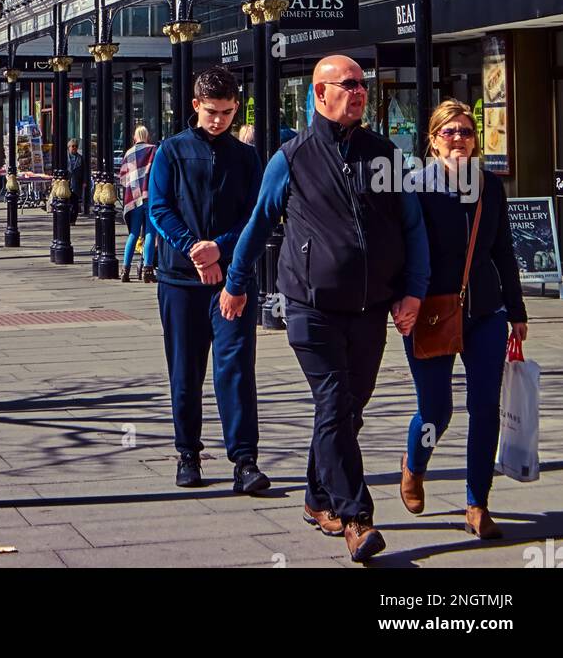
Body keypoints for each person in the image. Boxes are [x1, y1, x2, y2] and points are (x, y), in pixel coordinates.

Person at [221, 54, 430, 563]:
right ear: (320, 93)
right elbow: (257, 224)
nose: (360, 91)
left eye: (363, 84)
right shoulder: (291, 157)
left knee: (348, 410)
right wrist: (236, 283)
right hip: (310, 306)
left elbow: (412, 227)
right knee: (335, 402)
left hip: (371, 307)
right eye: (349, 84)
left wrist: (414, 290)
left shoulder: (384, 154)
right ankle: (357, 517)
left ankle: (317, 496)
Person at [399, 99, 528, 541]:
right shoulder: (414, 186)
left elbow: (504, 252)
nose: (459, 139)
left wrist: (517, 311)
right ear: (433, 140)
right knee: (437, 410)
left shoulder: (490, 187)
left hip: (485, 313)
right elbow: (401, 254)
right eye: (449, 132)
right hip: (431, 311)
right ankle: (415, 463)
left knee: (485, 407)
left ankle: (477, 502)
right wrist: (401, 301)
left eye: (467, 132)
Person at [148, 66, 269, 496]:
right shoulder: (171, 151)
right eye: (212, 112)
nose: (219, 120)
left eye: (227, 112)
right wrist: (195, 249)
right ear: (196, 106)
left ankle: (244, 460)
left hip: (232, 280)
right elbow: (159, 208)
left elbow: (257, 216)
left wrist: (219, 248)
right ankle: (188, 453)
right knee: (185, 370)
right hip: (180, 279)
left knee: (235, 369)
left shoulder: (246, 156)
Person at [118, 125, 157, 283]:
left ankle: (125, 270)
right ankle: (148, 270)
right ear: (147, 136)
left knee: (133, 234)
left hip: (134, 198)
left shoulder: (129, 153)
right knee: (149, 233)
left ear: (135, 137)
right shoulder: (153, 150)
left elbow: (123, 177)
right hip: (149, 197)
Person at [67, 138, 86, 225]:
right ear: (69, 147)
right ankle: (67, 218)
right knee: (67, 201)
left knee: (75, 202)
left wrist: (84, 182)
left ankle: (72, 220)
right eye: (72, 146)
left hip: (76, 182)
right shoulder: (65, 158)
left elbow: (84, 171)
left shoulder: (80, 158)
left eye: (76, 146)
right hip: (67, 182)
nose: (74, 148)